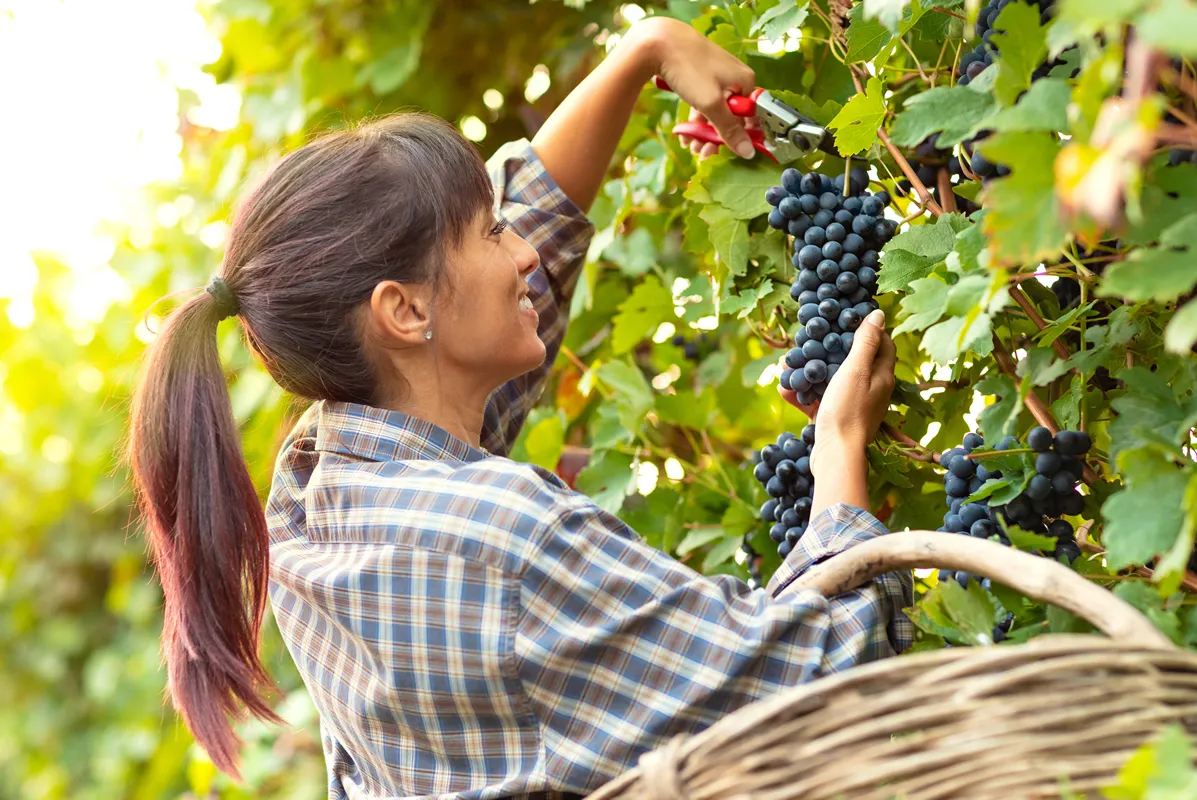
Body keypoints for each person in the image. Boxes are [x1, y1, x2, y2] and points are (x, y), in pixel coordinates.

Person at [127, 15, 912, 800]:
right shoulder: (511, 539)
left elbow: (532, 239)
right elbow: (822, 681)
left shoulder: (319, 493)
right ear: (402, 312)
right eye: (491, 233)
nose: (524, 251)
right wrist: (838, 444)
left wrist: (645, 52)